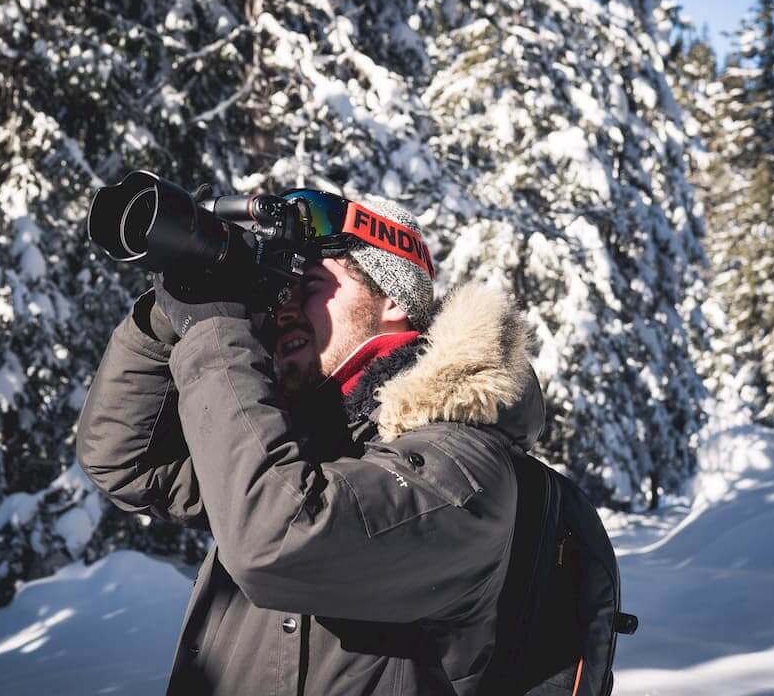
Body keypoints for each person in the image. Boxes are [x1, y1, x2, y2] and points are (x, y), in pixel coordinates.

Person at [76, 193, 546, 695]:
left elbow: (281, 539)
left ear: (390, 298)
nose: (285, 309)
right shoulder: (302, 440)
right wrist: (168, 318)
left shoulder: (463, 463)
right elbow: (127, 461)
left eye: (311, 286)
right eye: (279, 290)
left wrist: (215, 332)